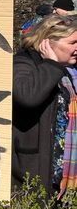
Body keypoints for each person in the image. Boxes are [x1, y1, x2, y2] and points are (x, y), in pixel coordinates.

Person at [13, 14, 77, 196]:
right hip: (38, 166)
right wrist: (51, 64)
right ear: (48, 42)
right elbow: (28, 96)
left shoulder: (71, 69)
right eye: (72, 43)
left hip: (65, 166)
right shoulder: (24, 62)